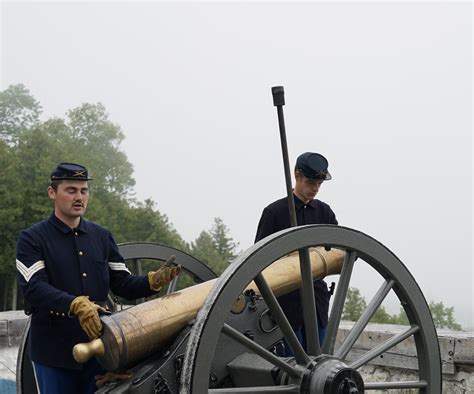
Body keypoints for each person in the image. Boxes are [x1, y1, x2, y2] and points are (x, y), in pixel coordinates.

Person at [16, 162, 180, 394]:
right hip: (54, 352)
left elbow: (122, 283)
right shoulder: (32, 239)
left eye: (84, 191)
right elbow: (34, 288)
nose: (79, 197)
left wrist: (151, 282)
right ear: (52, 192)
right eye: (71, 190)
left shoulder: (102, 237)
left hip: (101, 351)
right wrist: (74, 304)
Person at [255, 152, 337, 355]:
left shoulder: (324, 213)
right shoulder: (274, 212)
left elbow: (337, 252)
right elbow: (258, 261)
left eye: (319, 183)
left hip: (316, 302)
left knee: (318, 364)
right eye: (311, 182)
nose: (315, 188)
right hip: (285, 305)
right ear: (296, 175)